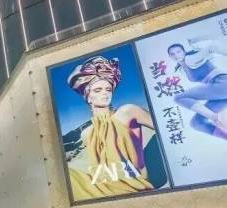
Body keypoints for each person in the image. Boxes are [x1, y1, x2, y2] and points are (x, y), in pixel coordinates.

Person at [65, 56, 156, 199]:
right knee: (67, 177)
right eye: (98, 90)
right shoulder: (87, 133)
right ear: (88, 96)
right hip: (103, 186)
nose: (105, 93)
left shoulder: (127, 112)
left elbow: (161, 126)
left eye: (108, 89)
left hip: (133, 186)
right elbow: (99, 169)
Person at [167, 41, 227, 139]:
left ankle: (216, 118)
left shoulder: (189, 59)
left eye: (178, 52)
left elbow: (211, 48)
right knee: (196, 123)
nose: (176, 55)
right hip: (219, 91)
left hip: (222, 83)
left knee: (179, 97)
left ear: (184, 52)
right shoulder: (182, 69)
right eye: (172, 54)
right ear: (170, 57)